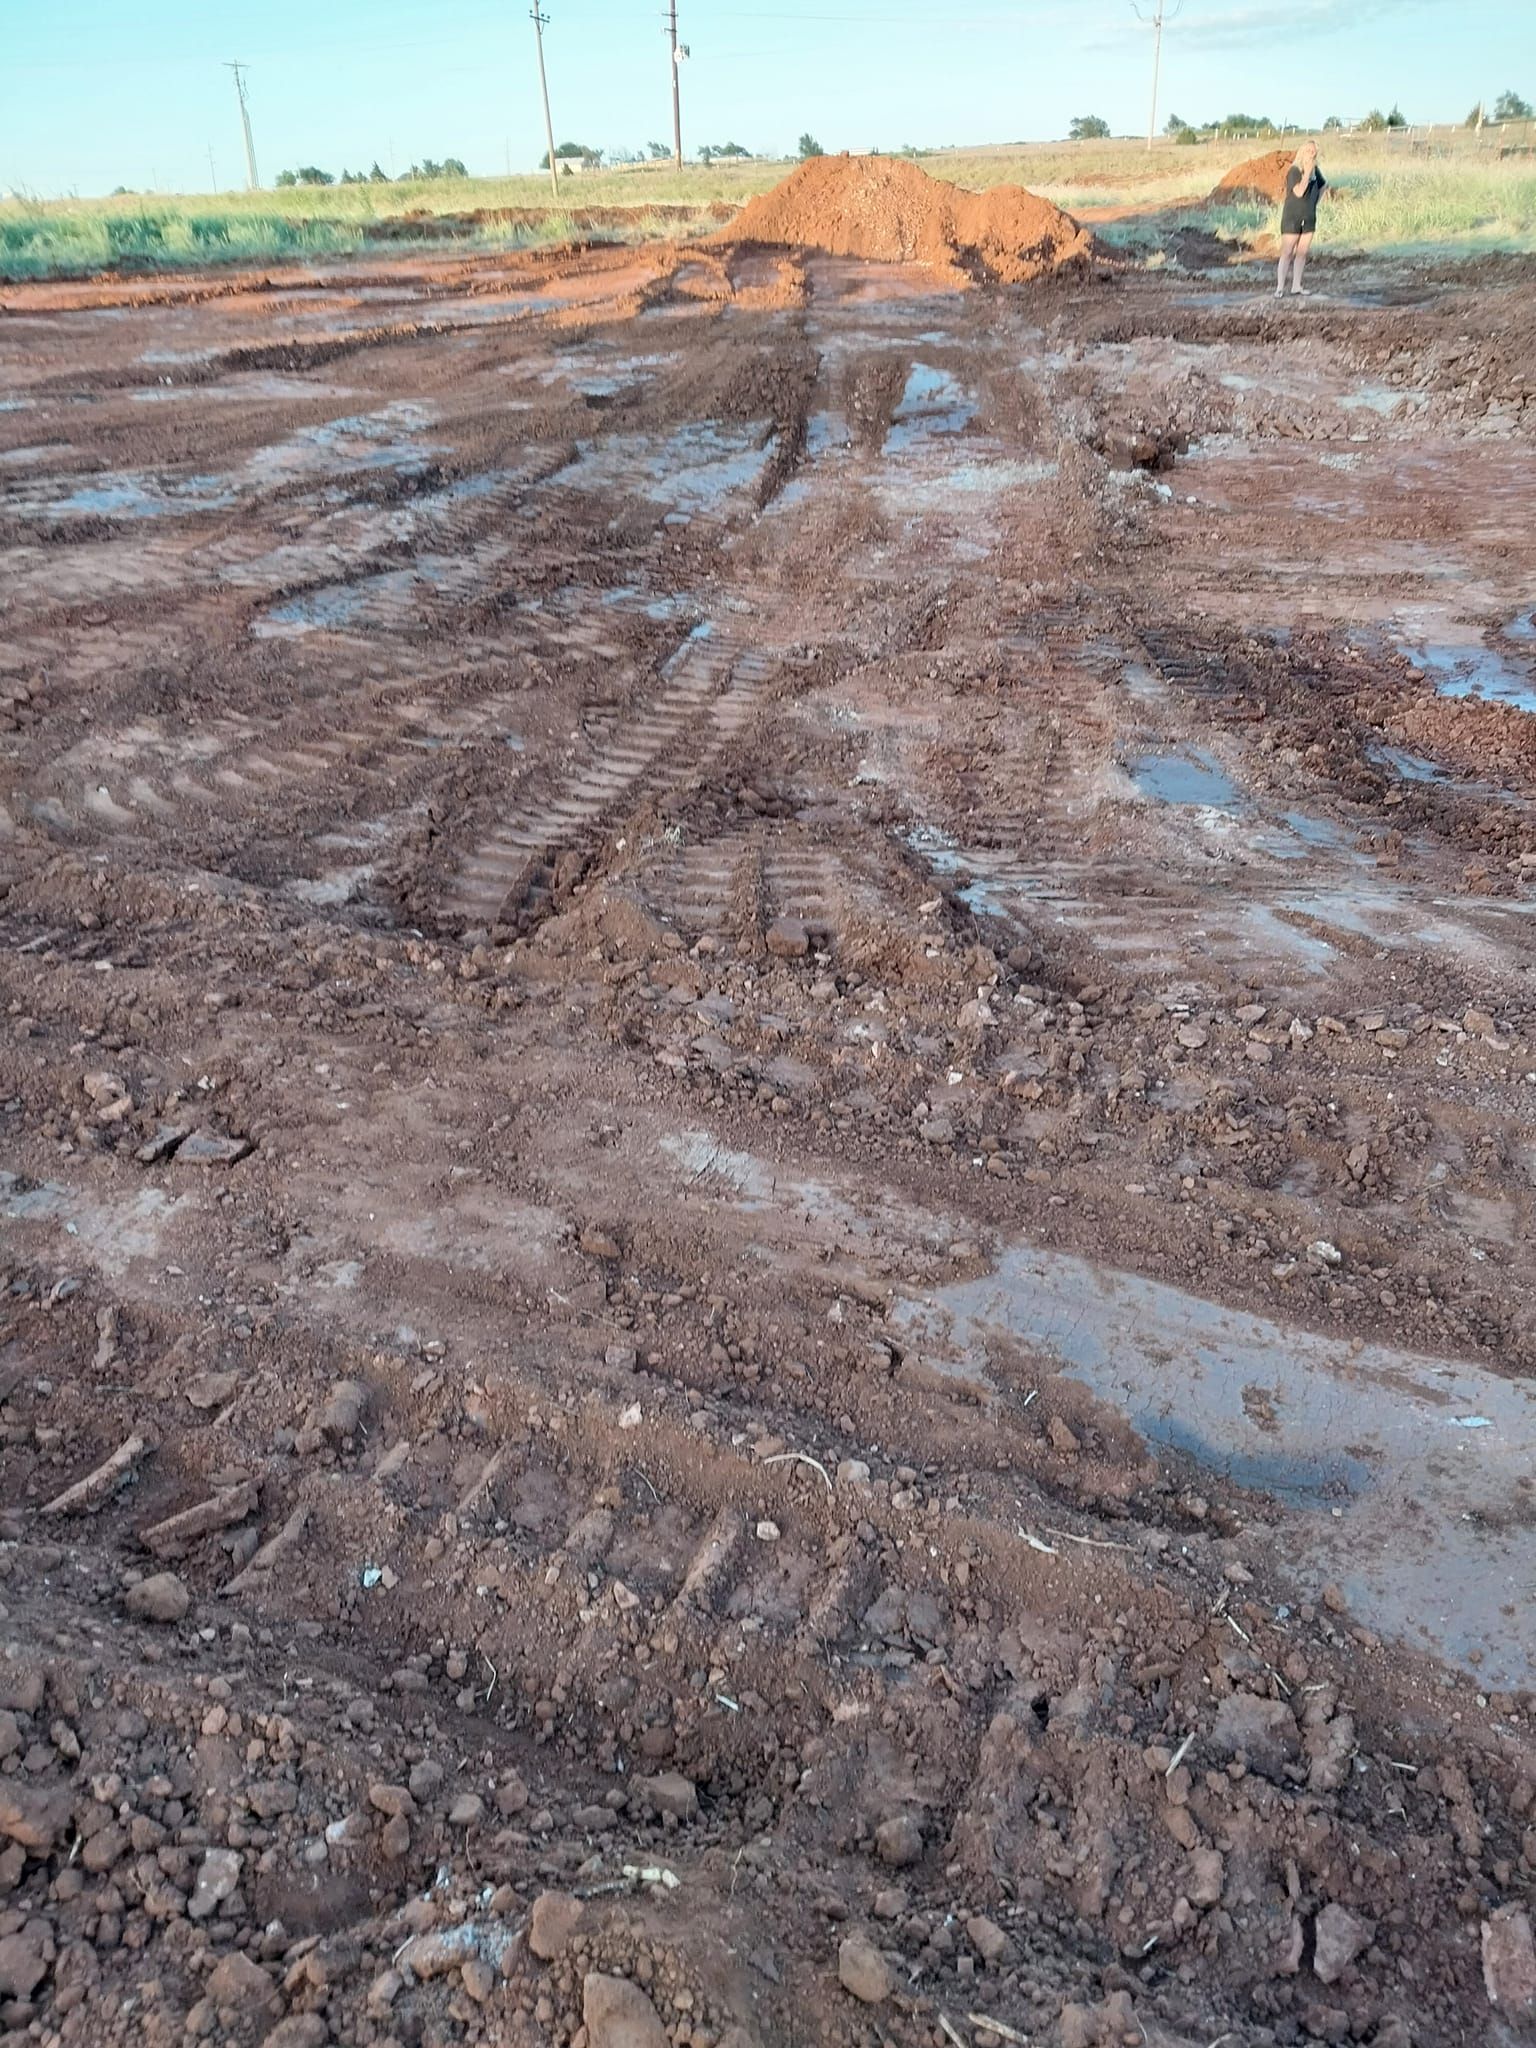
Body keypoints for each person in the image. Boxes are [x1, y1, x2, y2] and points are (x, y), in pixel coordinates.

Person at [1276, 140, 1326, 297]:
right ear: (1302, 152)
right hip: (1292, 217)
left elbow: (1324, 186)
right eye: (1309, 151)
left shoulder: (1315, 171)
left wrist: (1315, 202)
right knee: (1287, 252)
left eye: (1314, 152)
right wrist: (1306, 173)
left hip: (1309, 217)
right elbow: (1298, 192)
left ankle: (1296, 286)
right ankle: (1280, 287)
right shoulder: (1294, 171)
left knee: (1302, 253)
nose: (1312, 154)